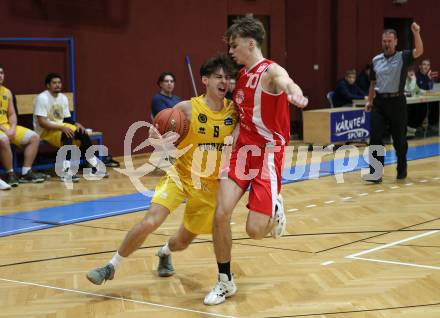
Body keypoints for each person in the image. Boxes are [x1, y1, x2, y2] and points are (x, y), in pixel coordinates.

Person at [86, 54, 238, 284]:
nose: (224, 82)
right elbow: (153, 134)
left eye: (227, 77)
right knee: (150, 221)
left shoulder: (233, 112)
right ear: (205, 80)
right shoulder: (185, 108)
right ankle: (110, 266)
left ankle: (165, 251)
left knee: (183, 242)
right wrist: (160, 140)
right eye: (218, 77)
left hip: (209, 187)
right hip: (180, 176)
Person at [204, 16, 308, 306]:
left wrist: (295, 93)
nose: (231, 51)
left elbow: (285, 80)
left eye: (234, 45)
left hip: (267, 156)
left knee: (255, 232)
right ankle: (225, 281)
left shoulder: (269, 71)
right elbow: (244, 117)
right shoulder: (241, 78)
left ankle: (275, 203)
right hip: (241, 152)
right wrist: (231, 140)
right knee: (221, 213)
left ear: (251, 44)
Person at [365, 23, 423, 183]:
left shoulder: (403, 56)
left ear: (396, 42)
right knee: (375, 137)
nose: (387, 44)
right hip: (379, 103)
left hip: (397, 102)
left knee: (399, 139)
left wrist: (416, 33)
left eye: (390, 41)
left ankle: (402, 169)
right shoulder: (376, 60)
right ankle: (375, 174)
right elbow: (372, 83)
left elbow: (419, 51)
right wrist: (370, 101)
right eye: (384, 41)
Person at [33, 73, 107, 182]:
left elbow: (67, 119)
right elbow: (42, 122)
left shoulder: (63, 98)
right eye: (54, 83)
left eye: (59, 83)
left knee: (81, 132)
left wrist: (76, 124)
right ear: (48, 85)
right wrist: (62, 128)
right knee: (68, 134)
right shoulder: (42, 98)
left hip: (59, 127)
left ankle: (93, 164)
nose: (57, 85)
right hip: (45, 131)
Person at [0, 66, 45, 189]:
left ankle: (26, 172)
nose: (0, 75)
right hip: (3, 129)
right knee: (3, 139)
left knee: (34, 137)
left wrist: (13, 128)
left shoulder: (7, 92)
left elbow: (12, 114)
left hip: (8, 127)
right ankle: (10, 174)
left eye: (2, 73)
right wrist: (5, 130)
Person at [416, 59, 439, 132]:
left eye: (428, 65)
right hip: (417, 99)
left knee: (435, 103)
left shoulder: (429, 76)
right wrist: (428, 80)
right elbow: (419, 90)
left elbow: (431, 88)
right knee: (421, 106)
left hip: (428, 98)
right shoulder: (416, 76)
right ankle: (417, 124)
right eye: (424, 64)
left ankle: (432, 124)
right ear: (420, 66)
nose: (426, 67)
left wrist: (430, 80)